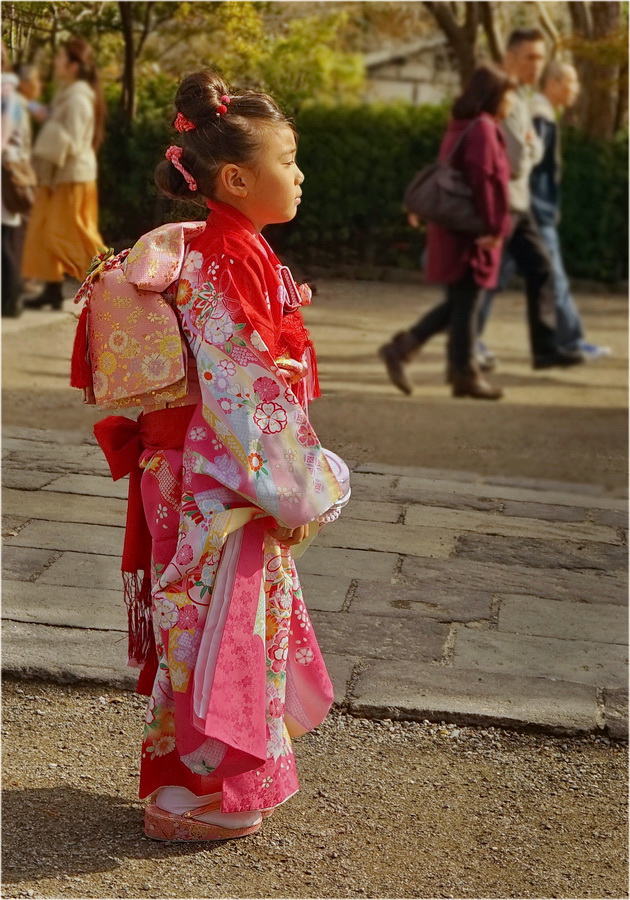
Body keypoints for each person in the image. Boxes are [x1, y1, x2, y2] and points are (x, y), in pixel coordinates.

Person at [73, 71, 348, 842]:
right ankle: (211, 795)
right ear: (235, 177)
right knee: (224, 628)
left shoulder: (220, 248)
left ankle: (188, 783)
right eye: (288, 159)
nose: (299, 174)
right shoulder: (229, 256)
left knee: (201, 625)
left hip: (186, 470)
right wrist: (298, 491)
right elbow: (244, 393)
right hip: (217, 477)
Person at [379, 65, 513, 399]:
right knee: (466, 303)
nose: (511, 103)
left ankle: (414, 353)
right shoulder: (483, 128)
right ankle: (461, 373)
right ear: (495, 95)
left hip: (455, 227)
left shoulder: (463, 124)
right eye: (509, 95)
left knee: (460, 302)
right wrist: (494, 226)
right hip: (470, 230)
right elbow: (485, 181)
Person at [475, 28, 584, 371]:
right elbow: (520, 159)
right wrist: (533, 146)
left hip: (517, 207)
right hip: (501, 206)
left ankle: (545, 350)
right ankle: (466, 348)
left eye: (541, 57)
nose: (537, 65)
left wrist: (529, 146)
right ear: (510, 58)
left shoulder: (519, 97)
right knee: (487, 281)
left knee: (542, 272)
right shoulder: (503, 96)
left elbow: (523, 153)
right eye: (530, 57)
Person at [529, 61, 610, 360]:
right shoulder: (541, 117)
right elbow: (529, 167)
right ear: (553, 84)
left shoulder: (543, 115)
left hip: (529, 212)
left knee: (495, 277)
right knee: (555, 277)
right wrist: (540, 210)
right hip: (534, 213)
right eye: (572, 81)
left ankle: (464, 332)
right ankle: (572, 341)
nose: (576, 88)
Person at [21, 37, 104, 310]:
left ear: (72, 66)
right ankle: (52, 290)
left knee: (67, 232)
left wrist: (38, 154)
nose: (55, 62)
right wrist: (28, 103)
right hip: (59, 173)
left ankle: (108, 277)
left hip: (71, 175)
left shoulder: (78, 97)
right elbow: (52, 119)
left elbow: (70, 137)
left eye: (60, 59)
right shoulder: (68, 93)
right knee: (44, 231)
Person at [1, 43, 29, 318]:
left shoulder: (5, 92)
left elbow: (5, 135)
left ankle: (10, 301)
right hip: (9, 167)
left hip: (4, 171)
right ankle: (9, 299)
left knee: (3, 238)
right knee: (4, 237)